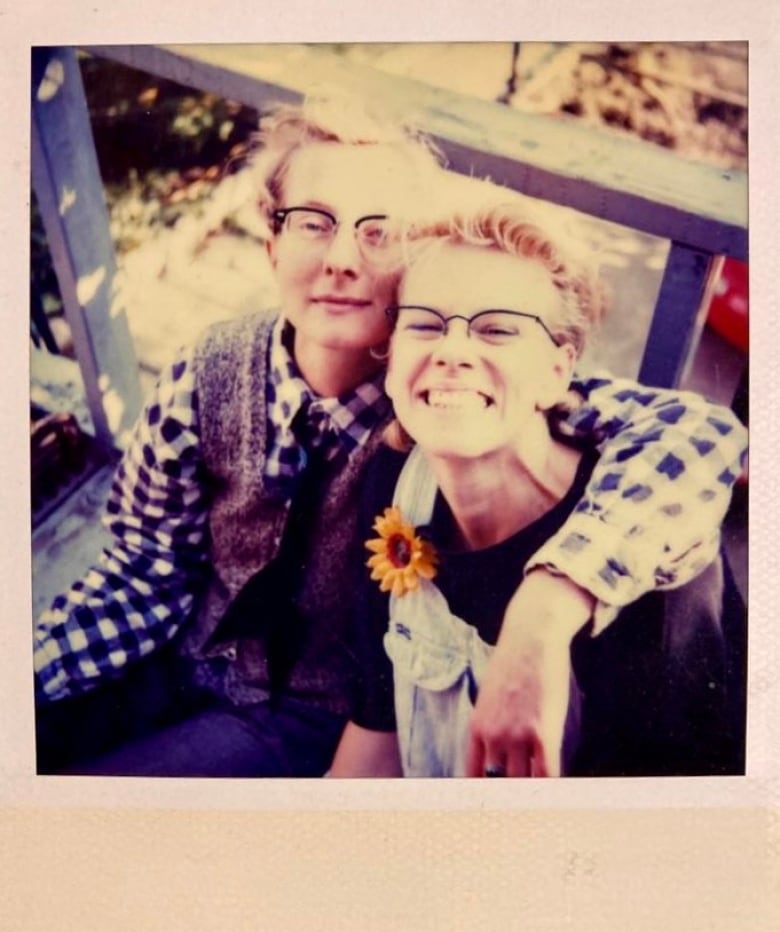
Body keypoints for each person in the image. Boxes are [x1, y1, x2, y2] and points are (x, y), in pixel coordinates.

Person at [34, 93, 747, 777]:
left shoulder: (440, 409)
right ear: (271, 239)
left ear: (411, 263)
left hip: (304, 713)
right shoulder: (210, 370)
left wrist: (547, 605)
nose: (342, 258)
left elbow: (686, 431)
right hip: (186, 653)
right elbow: (146, 564)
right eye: (314, 221)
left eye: (378, 232)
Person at [329, 201, 746, 778]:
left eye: (497, 330)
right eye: (424, 323)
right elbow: (377, 732)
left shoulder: (653, 565)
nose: (451, 351)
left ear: (557, 369)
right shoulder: (394, 482)